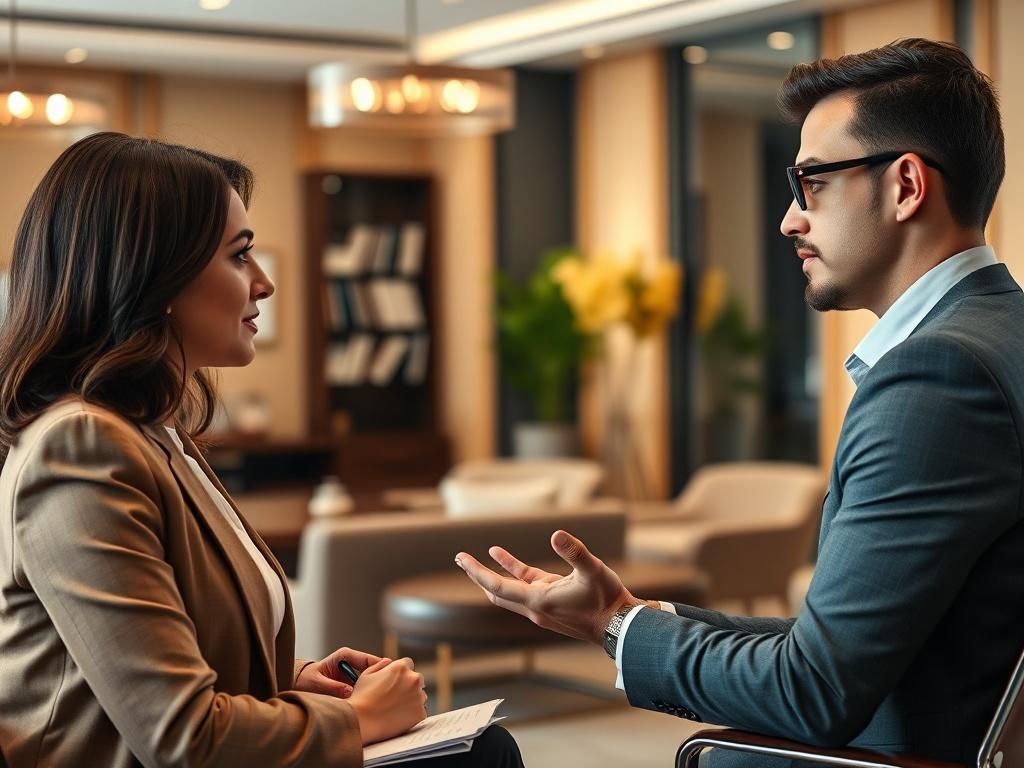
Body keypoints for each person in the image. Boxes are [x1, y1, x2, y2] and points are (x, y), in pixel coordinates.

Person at [456, 37, 1023, 766]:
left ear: (906, 185)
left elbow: (811, 692)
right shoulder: (1000, 336)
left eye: (811, 182)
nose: (789, 218)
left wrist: (609, 625)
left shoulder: (937, 379)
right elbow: (842, 646)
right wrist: (629, 617)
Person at [0, 132, 523, 768]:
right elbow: (182, 738)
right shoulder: (81, 449)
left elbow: (165, 661)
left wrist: (292, 680)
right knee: (480, 755)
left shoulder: (155, 434)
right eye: (239, 256)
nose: (265, 284)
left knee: (482, 748)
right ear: (155, 276)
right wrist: (354, 718)